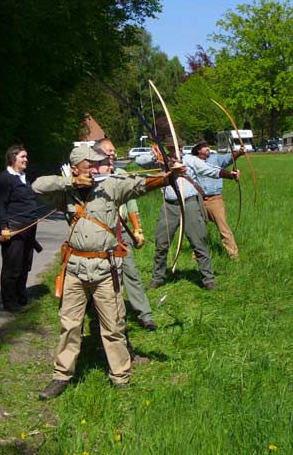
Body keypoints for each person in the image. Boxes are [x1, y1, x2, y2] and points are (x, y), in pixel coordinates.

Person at [33, 146, 183, 400]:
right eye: (88, 165)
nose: (94, 169)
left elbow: (141, 184)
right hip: (75, 269)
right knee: (69, 325)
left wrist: (169, 176)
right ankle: (62, 376)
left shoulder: (111, 186)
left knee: (113, 325)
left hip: (105, 269)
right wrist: (70, 181)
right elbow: (37, 186)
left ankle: (120, 376)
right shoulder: (66, 194)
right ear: (75, 168)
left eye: (95, 164)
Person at [148, 144, 239, 291]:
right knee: (162, 243)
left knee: (199, 241)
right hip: (170, 206)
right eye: (170, 148)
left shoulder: (189, 160)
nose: (175, 151)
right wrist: (157, 156)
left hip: (189, 203)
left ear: (181, 148)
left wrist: (230, 174)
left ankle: (208, 279)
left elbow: (209, 169)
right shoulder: (160, 160)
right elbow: (140, 161)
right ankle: (157, 277)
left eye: (177, 147)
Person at [93, 139, 156, 331]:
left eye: (113, 150)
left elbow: (131, 205)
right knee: (104, 278)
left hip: (121, 232)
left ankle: (145, 314)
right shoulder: (91, 178)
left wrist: (137, 230)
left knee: (131, 273)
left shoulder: (121, 174)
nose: (112, 154)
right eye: (108, 151)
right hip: (100, 235)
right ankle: (109, 317)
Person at [0, 145, 41, 312]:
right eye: (23, 157)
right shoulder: (4, 179)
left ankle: (21, 296)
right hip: (13, 229)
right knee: (12, 267)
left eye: (26, 156)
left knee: (25, 264)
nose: (26, 159)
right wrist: (4, 227)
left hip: (29, 228)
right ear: (13, 159)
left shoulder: (24, 178)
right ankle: (10, 302)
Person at [191, 140, 245, 260]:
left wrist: (240, 152)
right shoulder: (192, 162)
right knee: (198, 230)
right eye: (204, 147)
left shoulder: (215, 159)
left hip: (215, 200)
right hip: (198, 200)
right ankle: (196, 256)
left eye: (207, 145)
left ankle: (234, 256)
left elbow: (229, 158)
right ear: (198, 150)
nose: (207, 148)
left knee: (223, 229)